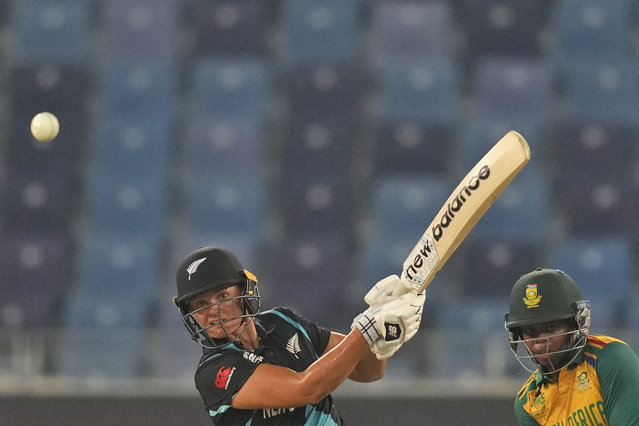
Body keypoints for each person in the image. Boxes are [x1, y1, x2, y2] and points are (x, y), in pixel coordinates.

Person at [173, 246, 425, 425]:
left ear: (245, 290)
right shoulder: (214, 372)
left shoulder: (282, 321)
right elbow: (307, 388)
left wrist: (382, 337)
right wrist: (366, 330)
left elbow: (368, 372)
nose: (212, 312)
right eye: (200, 305)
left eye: (222, 297)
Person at [505, 267, 639, 425]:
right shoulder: (527, 403)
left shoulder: (610, 357)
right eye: (529, 330)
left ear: (575, 325)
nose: (539, 340)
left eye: (550, 328)